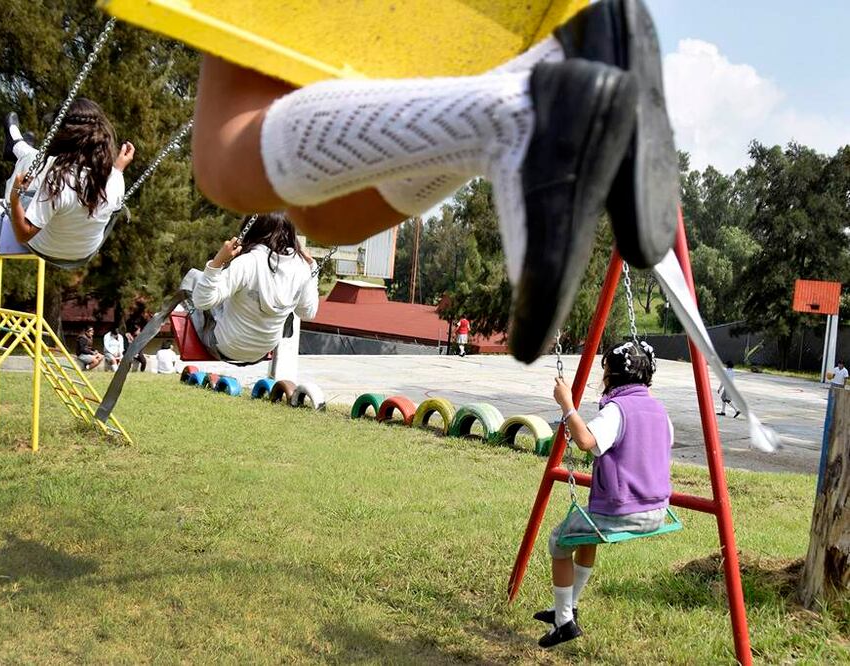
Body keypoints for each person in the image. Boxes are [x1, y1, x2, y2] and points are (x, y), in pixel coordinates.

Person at [186, 0, 679, 363]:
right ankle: (557, 63)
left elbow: (213, 298)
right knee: (332, 213)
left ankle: (519, 112)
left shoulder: (248, 268)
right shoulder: (290, 264)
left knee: (225, 157)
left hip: (238, 330)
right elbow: (308, 304)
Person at [543, 340, 671, 647]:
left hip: (619, 513)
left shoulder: (617, 410)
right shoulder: (659, 410)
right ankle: (570, 605)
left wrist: (567, 405)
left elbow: (586, 440)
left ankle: (563, 622)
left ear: (611, 377)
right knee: (586, 537)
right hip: (656, 512)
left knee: (558, 543)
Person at [2, 98, 135, 262]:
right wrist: (119, 168)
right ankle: (18, 146)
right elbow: (102, 181)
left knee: (32, 162)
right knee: (40, 162)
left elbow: (23, 235)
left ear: (62, 137)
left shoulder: (57, 180)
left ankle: (16, 145)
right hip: (84, 255)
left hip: (45, 249)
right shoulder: (116, 179)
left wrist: (15, 197)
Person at [187, 213, 319, 364]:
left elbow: (202, 302)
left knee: (195, 277)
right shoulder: (301, 268)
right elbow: (307, 313)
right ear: (290, 233)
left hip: (225, 348)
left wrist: (216, 263)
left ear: (252, 229)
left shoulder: (246, 263)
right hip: (263, 351)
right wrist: (312, 268)